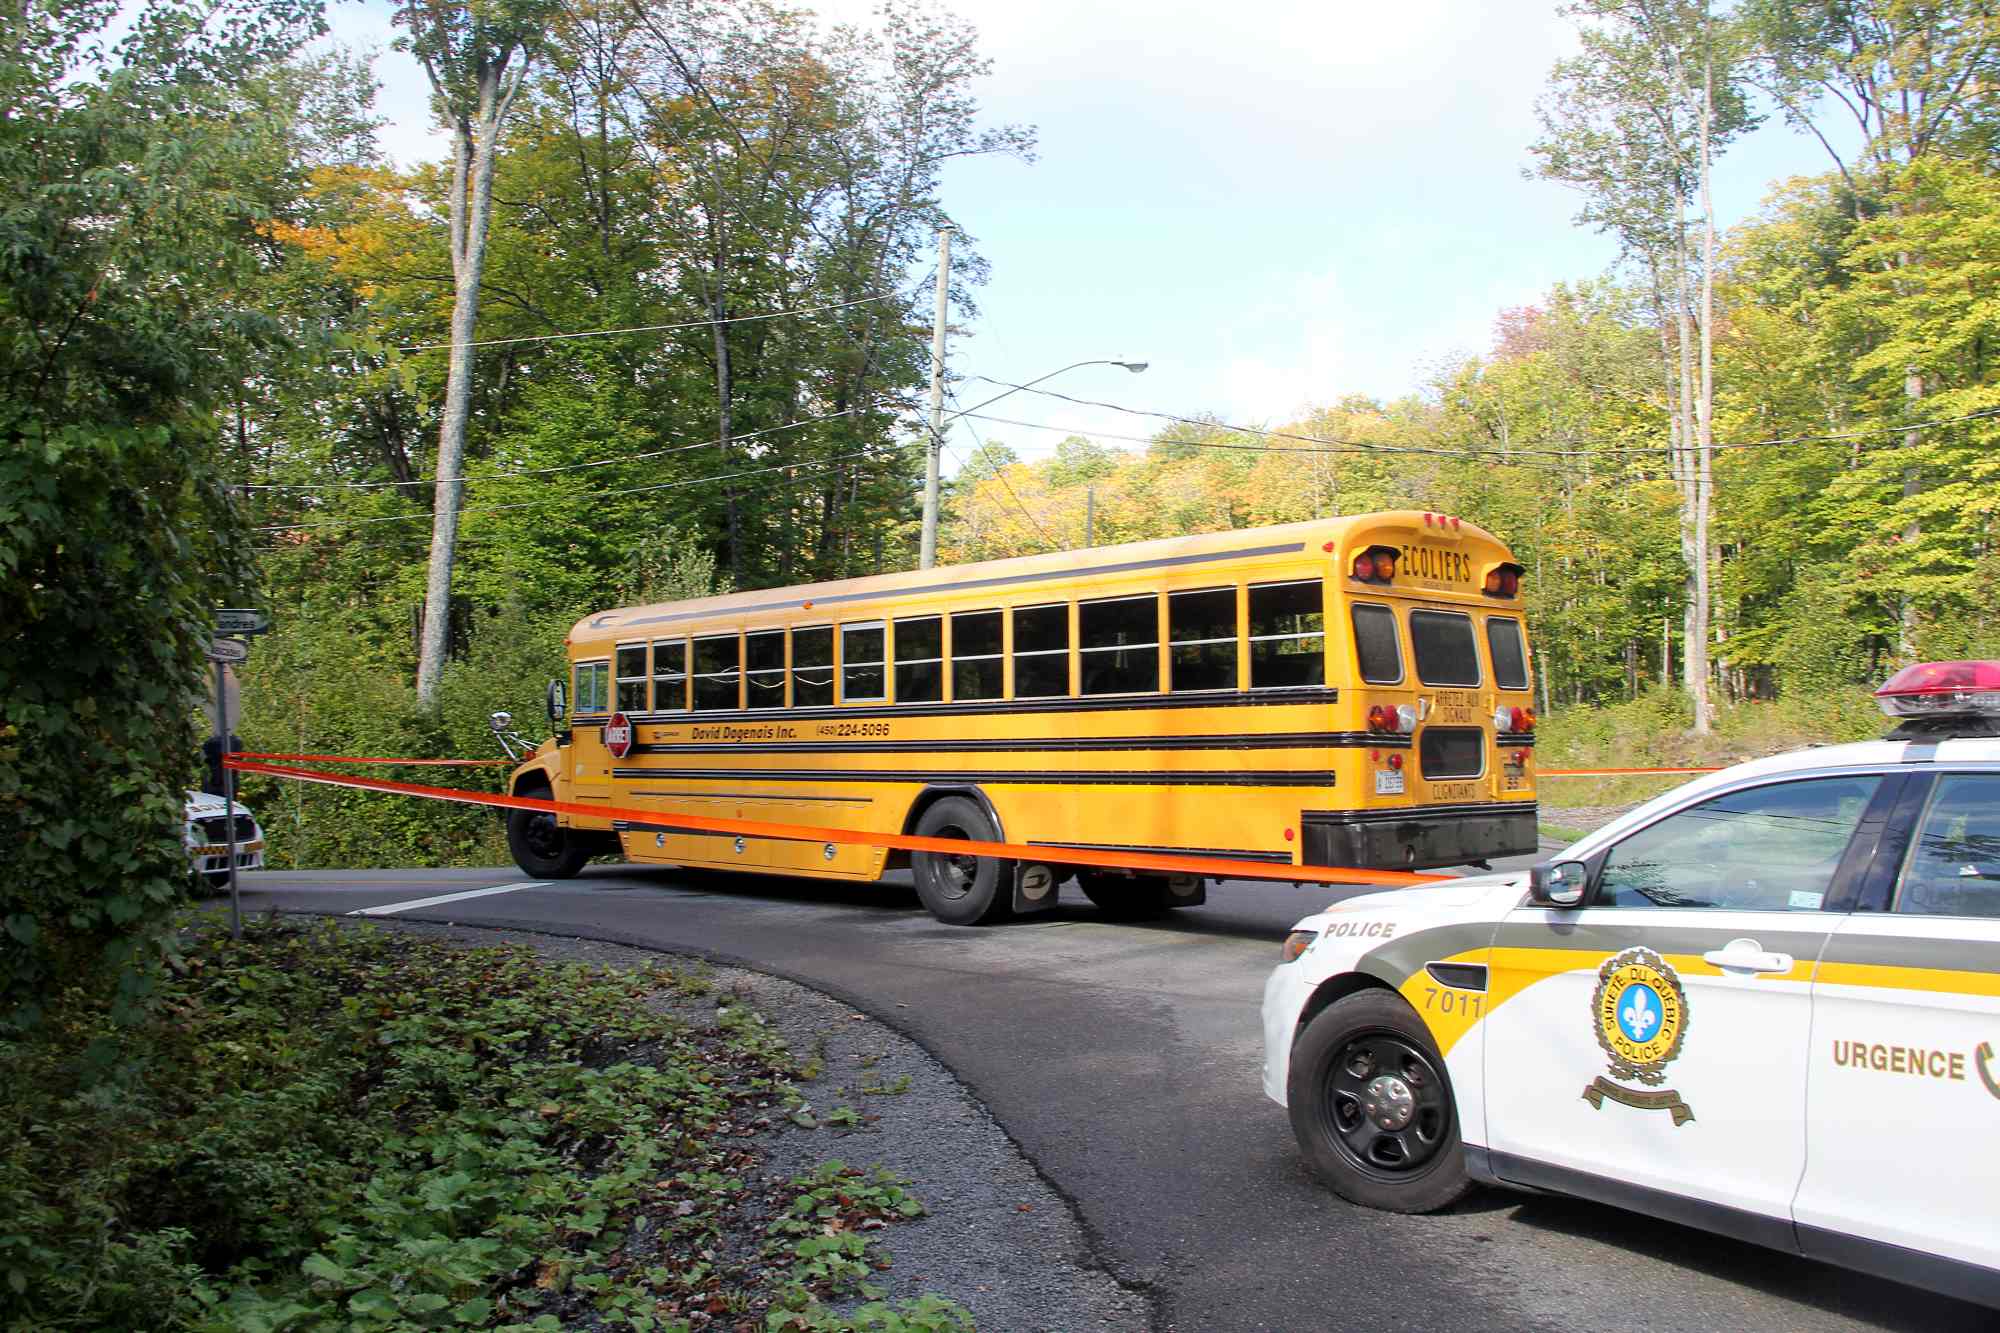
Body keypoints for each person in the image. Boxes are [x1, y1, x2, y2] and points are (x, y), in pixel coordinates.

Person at [201, 732, 242, 798]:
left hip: (215, 785)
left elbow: (204, 758)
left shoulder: (211, 742)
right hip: (230, 785)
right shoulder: (237, 741)